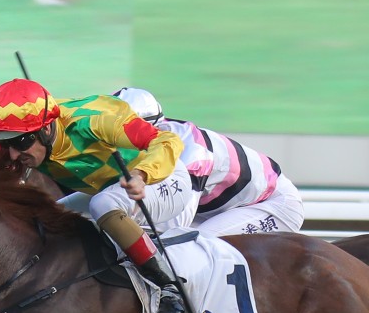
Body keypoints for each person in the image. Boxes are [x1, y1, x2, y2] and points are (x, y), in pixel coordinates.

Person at [0, 78, 195, 313]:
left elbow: (167, 141)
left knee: (103, 203)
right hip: (109, 190)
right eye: (5, 143)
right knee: (48, 219)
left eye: (20, 143)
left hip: (163, 179)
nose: (13, 154)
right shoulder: (20, 135)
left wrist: (141, 174)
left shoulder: (94, 119)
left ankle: (172, 289)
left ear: (47, 129)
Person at [113, 87, 306, 237]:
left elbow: (175, 226)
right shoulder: (153, 138)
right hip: (216, 209)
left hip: (272, 205)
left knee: (190, 245)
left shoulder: (189, 153)